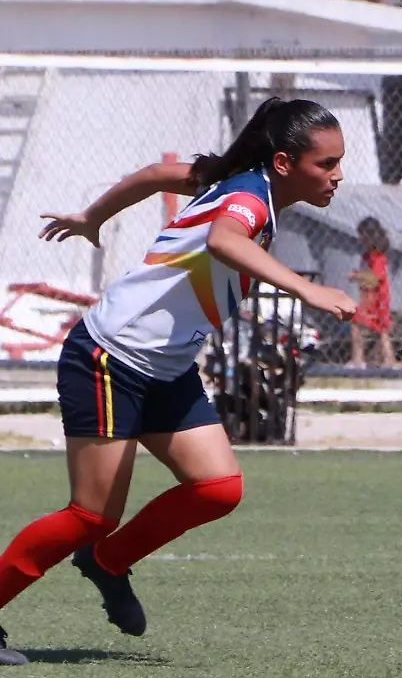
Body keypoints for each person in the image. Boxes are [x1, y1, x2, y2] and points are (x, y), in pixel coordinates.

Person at [0, 99, 357, 667]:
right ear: (286, 162)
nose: (338, 175)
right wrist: (307, 290)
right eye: (328, 164)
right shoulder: (246, 199)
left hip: (165, 367)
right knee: (89, 516)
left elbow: (152, 176)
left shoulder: (239, 182)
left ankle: (108, 562)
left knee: (217, 488)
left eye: (340, 162)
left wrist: (94, 218)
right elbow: (224, 242)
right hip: (110, 358)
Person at [349, 217, 400, 370]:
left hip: (377, 298)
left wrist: (356, 276)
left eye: (363, 236)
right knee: (373, 328)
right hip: (367, 297)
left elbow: (376, 278)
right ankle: (385, 360)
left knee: (377, 328)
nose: (360, 240)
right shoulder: (368, 256)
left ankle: (360, 359)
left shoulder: (378, 257)